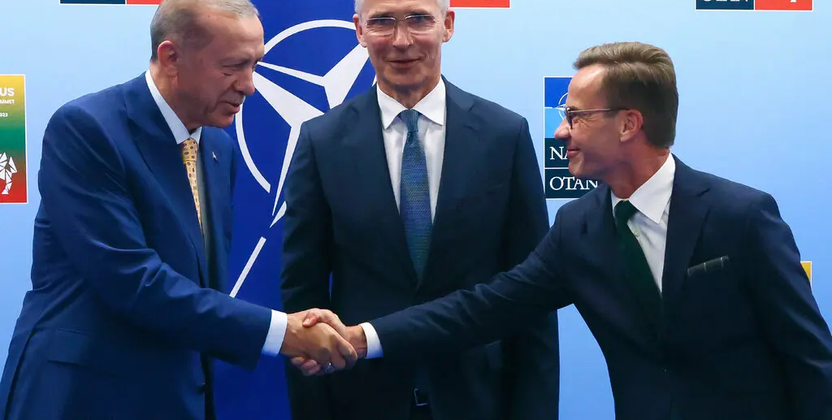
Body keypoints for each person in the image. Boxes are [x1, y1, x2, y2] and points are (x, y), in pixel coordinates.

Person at [301, 42, 832, 420]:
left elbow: (810, 358)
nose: (560, 132)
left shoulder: (742, 217)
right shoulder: (578, 227)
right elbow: (482, 308)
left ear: (628, 124)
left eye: (575, 117)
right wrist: (361, 337)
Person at [0, 0, 355, 420]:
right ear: (171, 57)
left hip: (177, 395)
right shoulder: (88, 129)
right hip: (84, 395)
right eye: (233, 67)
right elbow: (132, 280)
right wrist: (282, 332)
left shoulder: (217, 148)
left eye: (255, 65)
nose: (250, 86)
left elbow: (201, 286)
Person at [280, 0, 559, 420]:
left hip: (478, 400)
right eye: (383, 22)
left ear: (448, 24)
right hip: (361, 401)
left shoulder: (504, 136)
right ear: (359, 30)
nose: (402, 40)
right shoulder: (321, 141)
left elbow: (531, 296)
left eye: (419, 19)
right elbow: (304, 301)